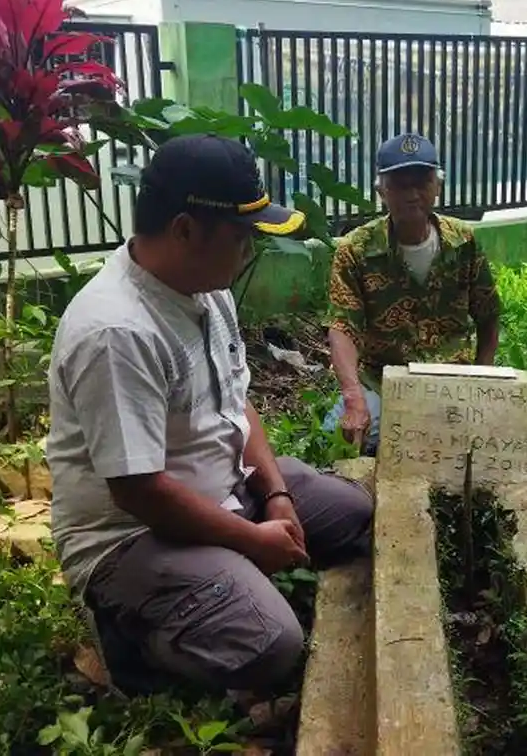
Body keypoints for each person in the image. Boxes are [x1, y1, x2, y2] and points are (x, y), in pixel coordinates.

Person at [46, 133, 374, 699]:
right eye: (241, 236)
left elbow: (235, 401)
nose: (248, 250)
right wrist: (252, 539)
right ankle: (130, 638)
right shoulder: (116, 331)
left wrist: (275, 495)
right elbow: (140, 492)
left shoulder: (205, 288)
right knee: (271, 645)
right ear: (184, 230)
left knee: (352, 514)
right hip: (133, 536)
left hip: (225, 487)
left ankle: (225, 572)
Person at [324, 133, 501, 454]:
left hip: (452, 382)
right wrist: (354, 398)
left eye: (422, 182)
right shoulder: (356, 250)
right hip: (384, 381)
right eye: (400, 185)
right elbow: (342, 328)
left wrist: (482, 380)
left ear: (438, 186)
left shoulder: (465, 243)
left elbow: (488, 315)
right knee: (338, 438)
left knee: (488, 444)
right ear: (381, 192)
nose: (412, 194)